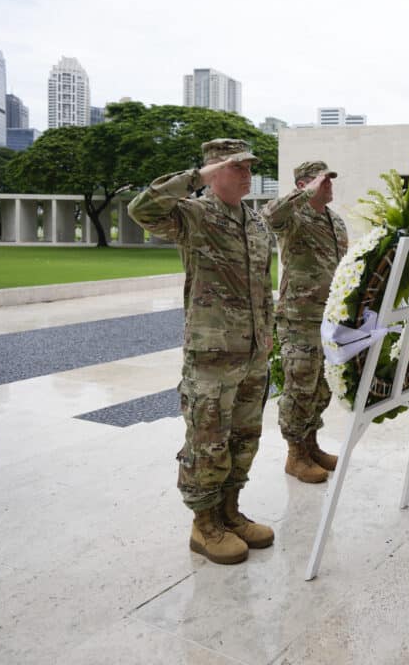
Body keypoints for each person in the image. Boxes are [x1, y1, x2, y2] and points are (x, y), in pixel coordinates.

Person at [127, 138, 276, 565]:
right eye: (238, 167)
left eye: (250, 168)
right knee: (207, 440)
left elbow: (264, 285)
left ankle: (230, 511)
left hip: (251, 353)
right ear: (214, 172)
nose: (248, 175)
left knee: (245, 438)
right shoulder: (194, 215)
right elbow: (142, 209)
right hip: (211, 354)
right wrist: (194, 179)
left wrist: (267, 334)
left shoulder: (257, 223)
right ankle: (204, 524)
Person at [262, 160, 348, 483]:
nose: (329, 185)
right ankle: (295, 455)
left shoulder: (336, 222)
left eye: (330, 180)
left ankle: (311, 445)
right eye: (322, 181)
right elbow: (269, 215)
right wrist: (304, 194)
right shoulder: (293, 217)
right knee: (299, 385)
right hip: (299, 318)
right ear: (303, 185)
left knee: (322, 386)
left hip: (329, 319)